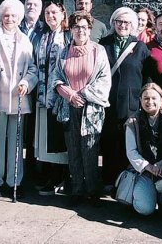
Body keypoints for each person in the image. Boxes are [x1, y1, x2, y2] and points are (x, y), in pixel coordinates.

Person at [48, 12, 111, 206]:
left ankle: (92, 190)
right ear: (71, 30)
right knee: (73, 149)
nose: (80, 31)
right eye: (76, 27)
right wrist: (69, 95)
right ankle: (77, 189)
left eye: (84, 27)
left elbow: (104, 79)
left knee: (90, 149)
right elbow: (55, 77)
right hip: (69, 107)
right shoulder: (63, 52)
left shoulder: (98, 51)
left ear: (90, 30)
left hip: (90, 108)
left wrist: (81, 95)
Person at [0, 0, 38, 199]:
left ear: (19, 18)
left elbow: (32, 68)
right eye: (6, 15)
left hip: (18, 96)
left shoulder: (25, 39)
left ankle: (14, 181)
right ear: (0, 17)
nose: (9, 19)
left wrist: (26, 82)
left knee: (16, 141)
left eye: (14, 16)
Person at [100, 6, 150, 189]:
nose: (122, 25)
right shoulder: (103, 44)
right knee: (108, 140)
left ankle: (124, 182)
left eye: (127, 22)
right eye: (119, 21)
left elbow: (147, 76)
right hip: (107, 100)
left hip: (131, 103)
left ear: (133, 25)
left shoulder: (140, 47)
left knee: (127, 143)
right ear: (113, 23)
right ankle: (107, 179)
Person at [29, 0, 70, 195]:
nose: (50, 16)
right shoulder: (41, 37)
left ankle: (62, 177)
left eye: (54, 12)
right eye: (47, 13)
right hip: (43, 96)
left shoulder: (67, 37)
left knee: (60, 139)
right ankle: (50, 176)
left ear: (63, 14)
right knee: (46, 139)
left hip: (61, 96)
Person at [124, 82, 162, 215]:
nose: (150, 102)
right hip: (144, 171)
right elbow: (131, 151)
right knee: (145, 209)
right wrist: (149, 167)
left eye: (154, 98)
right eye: (146, 98)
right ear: (140, 101)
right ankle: (146, 193)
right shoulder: (133, 122)